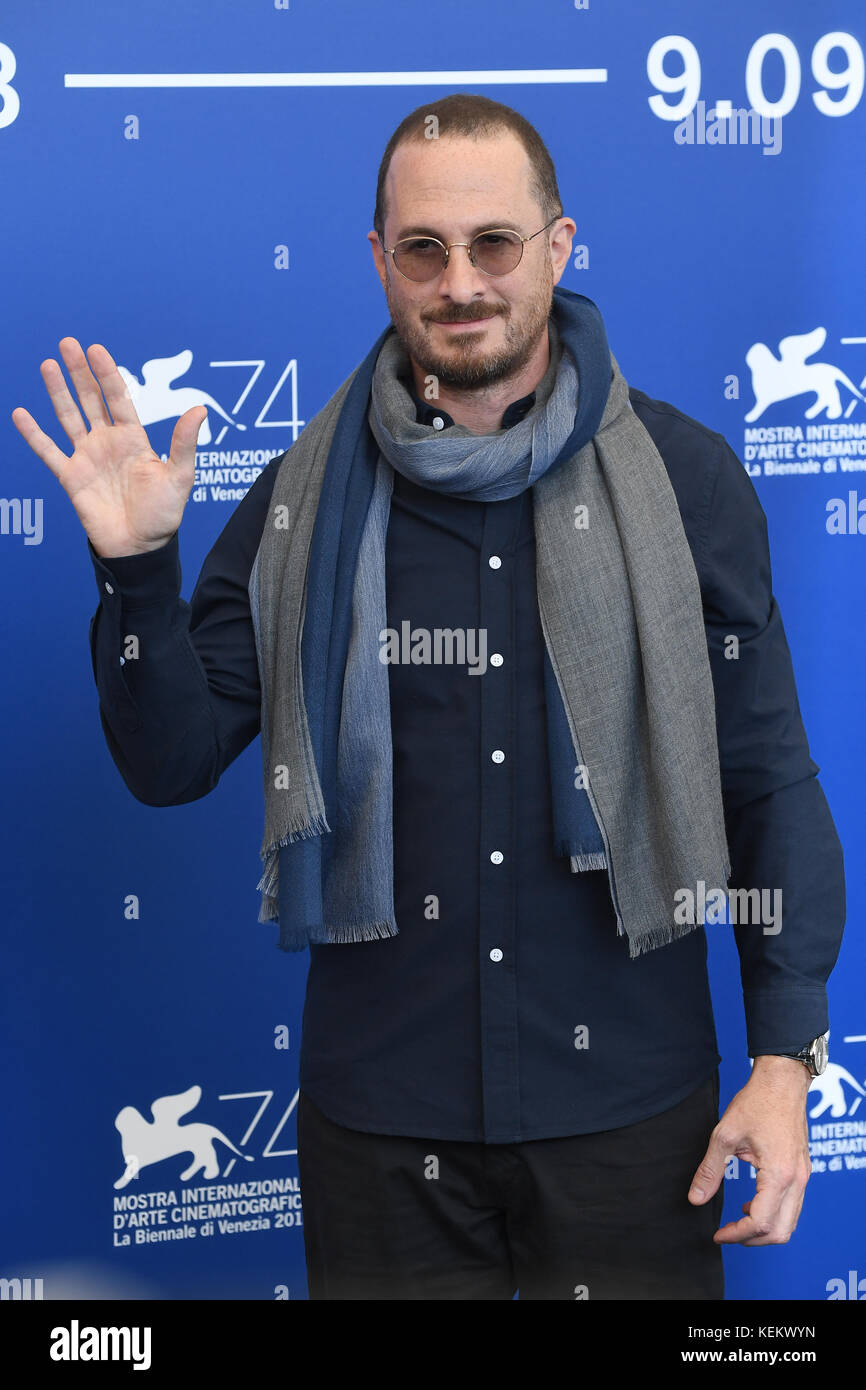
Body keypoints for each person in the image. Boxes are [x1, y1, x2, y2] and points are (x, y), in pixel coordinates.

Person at [11, 94, 845, 1301]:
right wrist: (138, 572)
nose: (461, 283)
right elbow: (169, 760)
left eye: (494, 244)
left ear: (556, 249)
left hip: (629, 1117)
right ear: (379, 262)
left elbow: (765, 778)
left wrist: (783, 1058)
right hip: (382, 1133)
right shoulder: (303, 500)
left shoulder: (684, 480)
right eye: (424, 250)